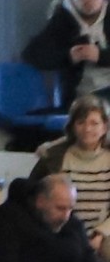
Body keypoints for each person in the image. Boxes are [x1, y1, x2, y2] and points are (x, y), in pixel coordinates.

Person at [31, 97, 110, 253]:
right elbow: (33, 195)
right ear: (72, 126)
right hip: (61, 230)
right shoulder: (53, 158)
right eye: (81, 122)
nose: (87, 129)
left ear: (105, 127)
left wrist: (100, 234)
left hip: (103, 234)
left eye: (94, 123)